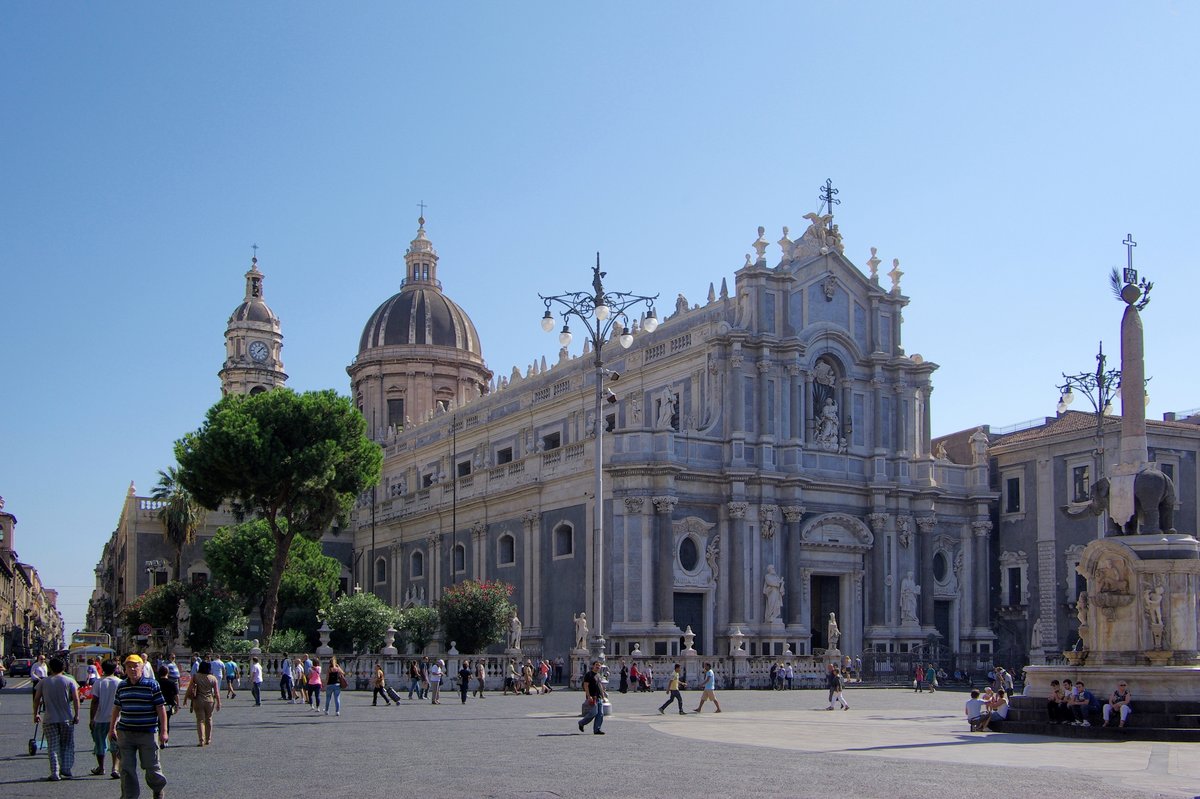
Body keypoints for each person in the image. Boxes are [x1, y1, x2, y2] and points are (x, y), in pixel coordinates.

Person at [110, 654, 168, 799]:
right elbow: (117, 708)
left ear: (142, 667)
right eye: (129, 666)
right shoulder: (122, 686)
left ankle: (157, 790)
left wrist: (164, 732)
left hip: (147, 732)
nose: (132, 669)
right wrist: (112, 728)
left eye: (135, 665)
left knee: (152, 767)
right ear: (125, 669)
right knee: (126, 769)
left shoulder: (152, 685)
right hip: (126, 733)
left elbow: (161, 709)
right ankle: (129, 796)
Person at [33, 655, 80, 781]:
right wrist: (77, 714)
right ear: (63, 667)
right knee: (67, 744)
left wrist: (36, 714)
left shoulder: (43, 682)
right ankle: (66, 769)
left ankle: (55, 771)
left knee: (52, 746)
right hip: (67, 718)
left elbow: (37, 699)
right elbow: (76, 698)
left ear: (50, 668)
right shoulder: (69, 681)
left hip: (49, 718)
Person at [89, 660, 122, 778]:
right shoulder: (120, 683)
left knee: (100, 744)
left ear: (102, 669)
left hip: (100, 718)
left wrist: (91, 719)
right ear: (115, 669)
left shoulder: (99, 682)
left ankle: (101, 767)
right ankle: (115, 768)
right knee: (115, 744)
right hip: (116, 719)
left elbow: (94, 702)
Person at [183, 660, 220, 745]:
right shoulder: (213, 678)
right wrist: (218, 702)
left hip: (198, 700)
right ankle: (208, 739)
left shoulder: (196, 676)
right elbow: (217, 692)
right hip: (209, 700)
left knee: (200, 720)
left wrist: (185, 699)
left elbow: (189, 688)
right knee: (209, 719)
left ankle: (201, 740)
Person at [577, 660, 607, 734]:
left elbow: (600, 686)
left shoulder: (598, 675)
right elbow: (586, 685)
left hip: (599, 697)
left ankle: (597, 729)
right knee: (593, 713)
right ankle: (581, 723)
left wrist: (603, 696)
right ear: (593, 666)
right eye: (596, 665)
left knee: (600, 714)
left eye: (599, 665)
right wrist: (588, 696)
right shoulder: (589, 674)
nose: (598, 667)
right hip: (592, 697)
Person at [154, 665, 179, 744]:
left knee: (157, 722)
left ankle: (157, 737)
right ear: (168, 673)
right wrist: (177, 705)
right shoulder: (172, 683)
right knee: (166, 721)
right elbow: (176, 695)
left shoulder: (156, 683)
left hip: (157, 705)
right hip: (168, 705)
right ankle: (165, 739)